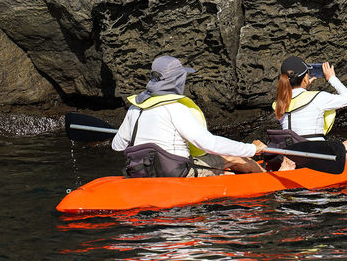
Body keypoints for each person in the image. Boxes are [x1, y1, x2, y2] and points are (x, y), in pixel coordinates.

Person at [112, 55, 266, 176]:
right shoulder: (175, 108)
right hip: (177, 172)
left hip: (142, 171)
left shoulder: (135, 108)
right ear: (177, 79)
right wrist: (251, 148)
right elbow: (209, 144)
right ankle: (267, 180)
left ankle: (226, 176)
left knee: (224, 166)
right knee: (236, 158)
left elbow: (117, 145)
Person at [272, 55, 347, 162]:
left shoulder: (278, 104)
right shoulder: (318, 97)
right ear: (305, 79)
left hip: (294, 157)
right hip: (319, 159)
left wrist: (304, 86)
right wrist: (332, 78)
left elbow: (297, 100)